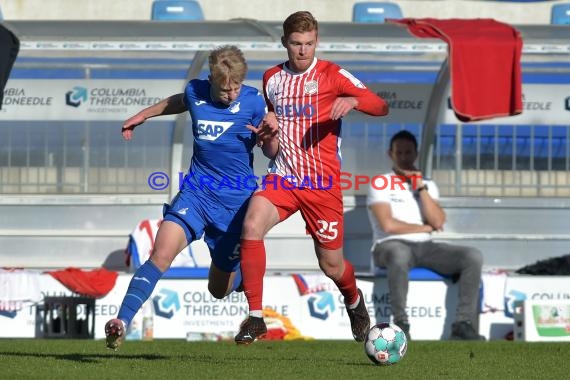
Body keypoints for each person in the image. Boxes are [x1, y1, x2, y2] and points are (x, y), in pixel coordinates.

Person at [104, 45, 278, 350]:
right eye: (225, 89)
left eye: (236, 86)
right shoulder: (196, 91)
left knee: (218, 289)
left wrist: (269, 137)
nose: (231, 94)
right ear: (210, 79)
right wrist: (142, 115)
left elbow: (271, 152)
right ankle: (121, 321)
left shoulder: (253, 101)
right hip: (196, 195)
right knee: (160, 254)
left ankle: (239, 279)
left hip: (236, 206)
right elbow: (180, 102)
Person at [234, 11, 389, 345]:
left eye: (308, 43)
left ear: (316, 42)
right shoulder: (272, 78)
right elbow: (272, 147)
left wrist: (353, 99)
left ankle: (353, 300)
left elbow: (380, 106)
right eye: (295, 44)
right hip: (283, 178)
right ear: (285, 43)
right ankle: (257, 317)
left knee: (332, 266)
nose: (302, 50)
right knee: (251, 226)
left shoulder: (332, 75)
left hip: (322, 185)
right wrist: (268, 133)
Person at [366, 130, 484, 341]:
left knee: (472, 256)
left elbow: (438, 222)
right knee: (399, 254)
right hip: (388, 246)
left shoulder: (428, 184)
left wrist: (420, 188)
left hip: (425, 248)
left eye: (408, 152)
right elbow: (388, 225)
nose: (404, 157)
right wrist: (423, 228)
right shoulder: (380, 183)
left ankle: (462, 324)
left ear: (416, 154)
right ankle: (401, 324)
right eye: (399, 152)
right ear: (390, 154)